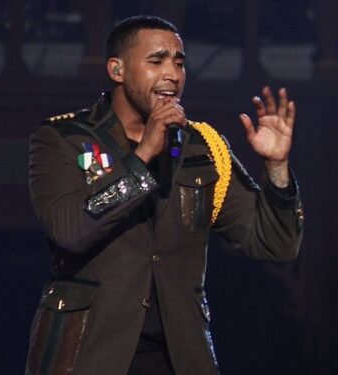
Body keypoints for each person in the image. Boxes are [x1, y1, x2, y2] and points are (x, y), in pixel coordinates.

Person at [25, 15, 304, 375]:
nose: (172, 73)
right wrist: (142, 156)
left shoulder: (203, 147)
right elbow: (70, 231)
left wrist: (277, 167)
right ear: (117, 70)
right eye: (156, 61)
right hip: (89, 355)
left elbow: (275, 244)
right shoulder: (63, 139)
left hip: (180, 356)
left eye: (179, 62)